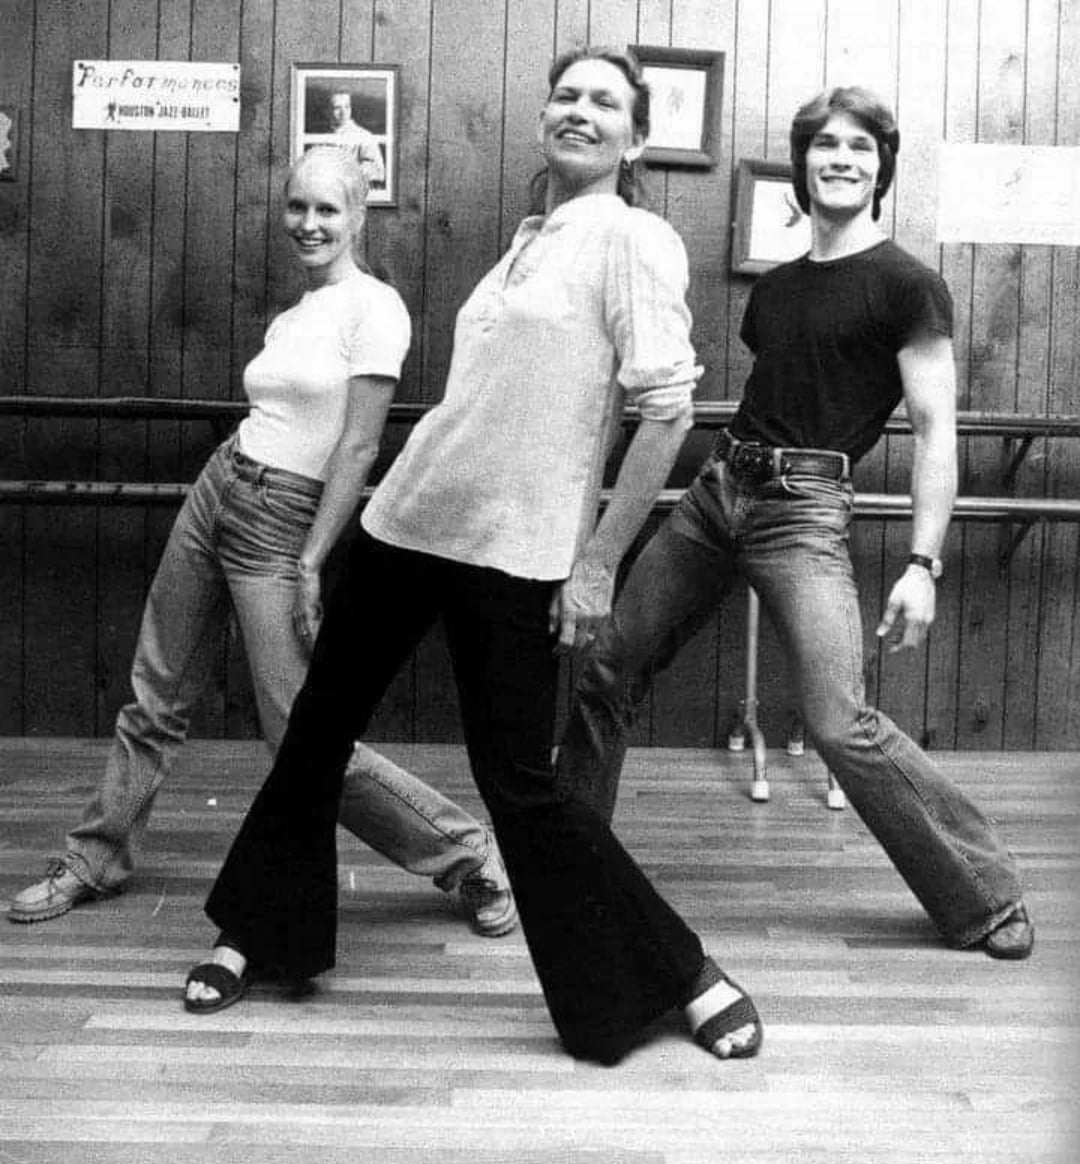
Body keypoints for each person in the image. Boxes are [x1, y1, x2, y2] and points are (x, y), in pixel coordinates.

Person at [183, 47, 763, 1066]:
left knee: (521, 787)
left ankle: (684, 972)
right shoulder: (528, 241)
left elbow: (666, 409)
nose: (579, 111)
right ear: (545, 114)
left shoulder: (633, 238)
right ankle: (258, 933)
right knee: (314, 734)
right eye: (567, 94)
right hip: (405, 523)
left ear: (635, 137)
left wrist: (594, 565)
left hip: (516, 553)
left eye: (605, 102)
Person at [556, 85, 1034, 961]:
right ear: (803, 163)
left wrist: (922, 564)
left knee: (837, 718)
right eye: (825, 145)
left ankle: (985, 893)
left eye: (860, 147)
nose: (841, 158)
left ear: (881, 169)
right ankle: (565, 861)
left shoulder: (907, 286)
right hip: (715, 494)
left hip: (804, 512)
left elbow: (934, 434)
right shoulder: (774, 291)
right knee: (607, 668)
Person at [8, 146, 516, 942]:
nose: (309, 225)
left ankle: (466, 854)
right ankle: (93, 857)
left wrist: (312, 560)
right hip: (221, 486)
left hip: (283, 519)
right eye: (297, 208)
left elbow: (355, 450)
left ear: (358, 215)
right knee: (154, 692)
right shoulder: (296, 313)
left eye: (327, 210)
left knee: (300, 734)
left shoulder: (375, 308)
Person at [317, 90, 385, 186]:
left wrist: (347, 172)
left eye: (347, 107)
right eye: (337, 108)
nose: (343, 112)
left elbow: (376, 170)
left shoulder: (364, 136)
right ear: (327, 111)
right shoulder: (320, 138)